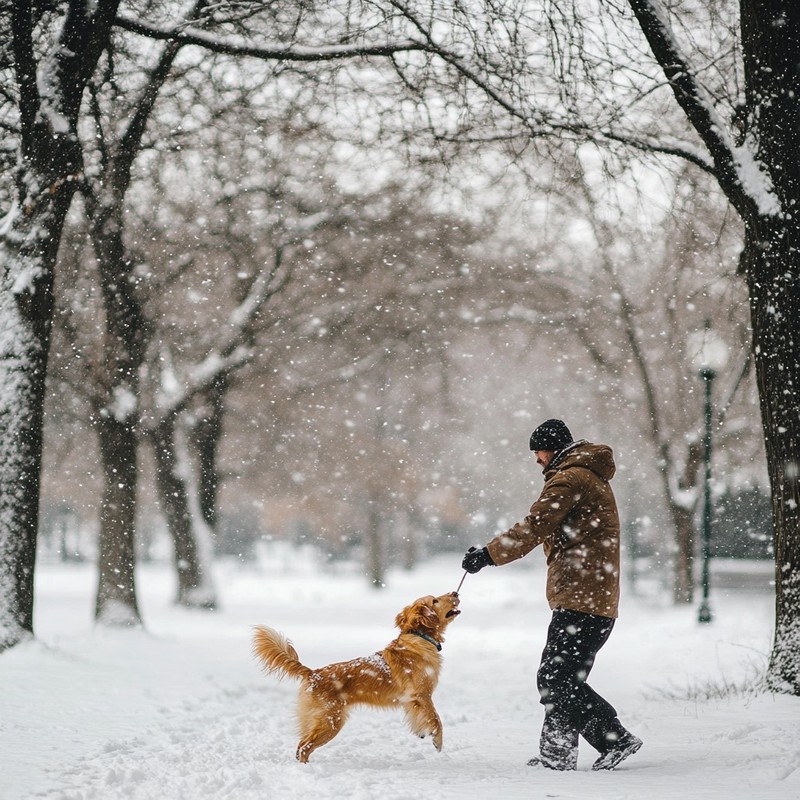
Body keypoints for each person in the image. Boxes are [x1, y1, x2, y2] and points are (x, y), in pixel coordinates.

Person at [462, 418, 642, 771]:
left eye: (538, 452)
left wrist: (488, 555)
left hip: (583, 596)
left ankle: (615, 738)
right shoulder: (586, 476)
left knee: (554, 679)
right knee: (561, 678)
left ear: (553, 449)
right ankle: (557, 754)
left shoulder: (571, 478)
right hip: (590, 596)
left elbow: (535, 526)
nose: (537, 459)